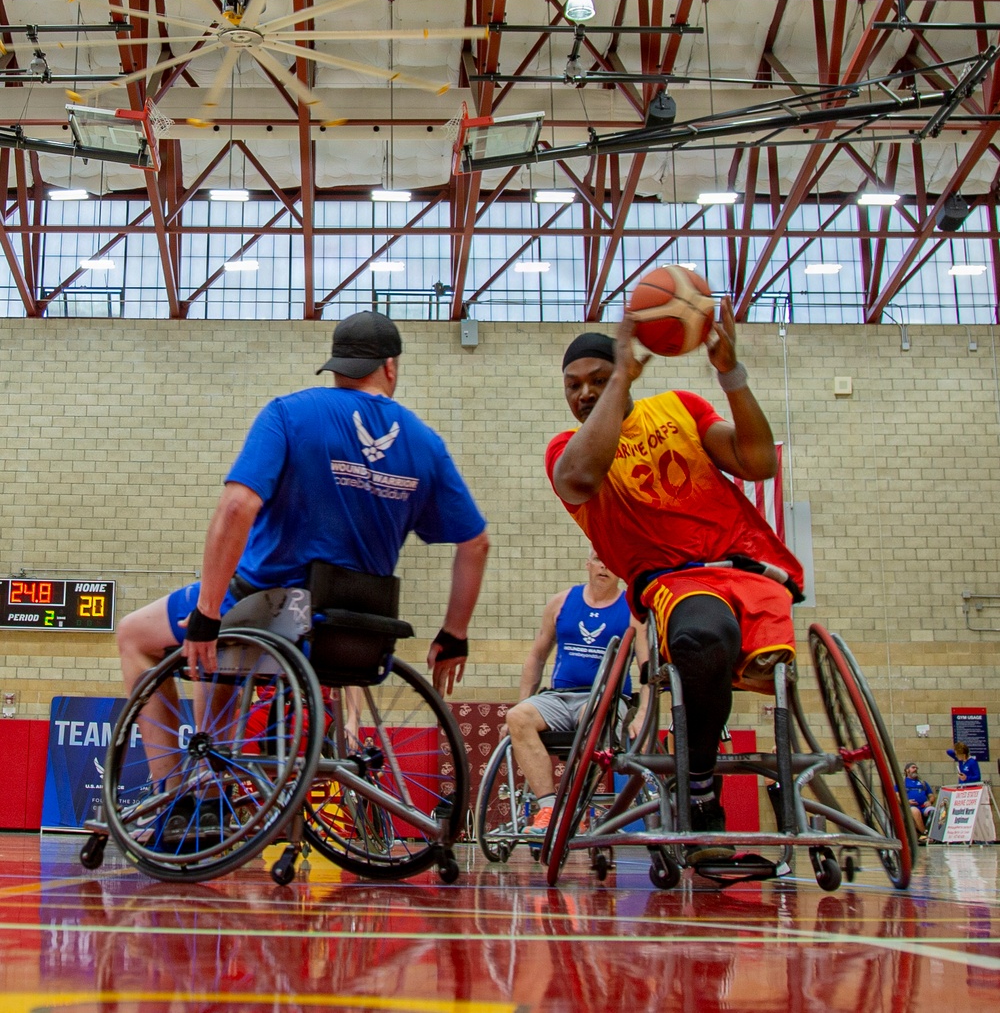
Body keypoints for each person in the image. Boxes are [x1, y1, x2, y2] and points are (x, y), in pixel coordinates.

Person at [117, 311, 491, 787]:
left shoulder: (290, 413)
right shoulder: (425, 443)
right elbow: (475, 543)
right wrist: (453, 635)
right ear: (391, 368)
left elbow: (237, 507)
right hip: (357, 627)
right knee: (225, 631)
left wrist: (208, 614)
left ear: (334, 366)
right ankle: (212, 782)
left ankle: (177, 792)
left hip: (270, 609)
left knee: (138, 633)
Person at [544, 303, 803, 849]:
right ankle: (701, 786)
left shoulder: (681, 408)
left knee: (738, 646)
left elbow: (759, 462)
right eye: (574, 386)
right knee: (705, 636)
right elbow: (582, 478)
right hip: (675, 581)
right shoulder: (566, 451)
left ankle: (764, 778)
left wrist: (731, 374)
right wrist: (620, 379)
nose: (585, 393)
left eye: (598, 380)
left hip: (746, 566)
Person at [505, 549, 649, 839]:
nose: (604, 566)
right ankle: (547, 808)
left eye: (611, 561)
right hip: (560, 697)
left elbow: (647, 666)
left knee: (589, 716)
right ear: (588, 564)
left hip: (607, 701)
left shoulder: (633, 611)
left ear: (620, 570)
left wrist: (644, 714)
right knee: (517, 716)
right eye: (598, 559)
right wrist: (523, 699)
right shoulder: (561, 603)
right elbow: (536, 657)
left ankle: (577, 808)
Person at [902, 762, 936, 842]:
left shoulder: (922, 783)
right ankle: (924, 833)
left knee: (933, 811)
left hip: (923, 807)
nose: (915, 769)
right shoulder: (902, 783)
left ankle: (933, 833)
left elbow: (931, 796)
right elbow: (897, 796)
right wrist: (907, 801)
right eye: (913, 767)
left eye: (916, 768)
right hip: (910, 807)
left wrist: (930, 802)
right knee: (915, 811)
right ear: (907, 770)